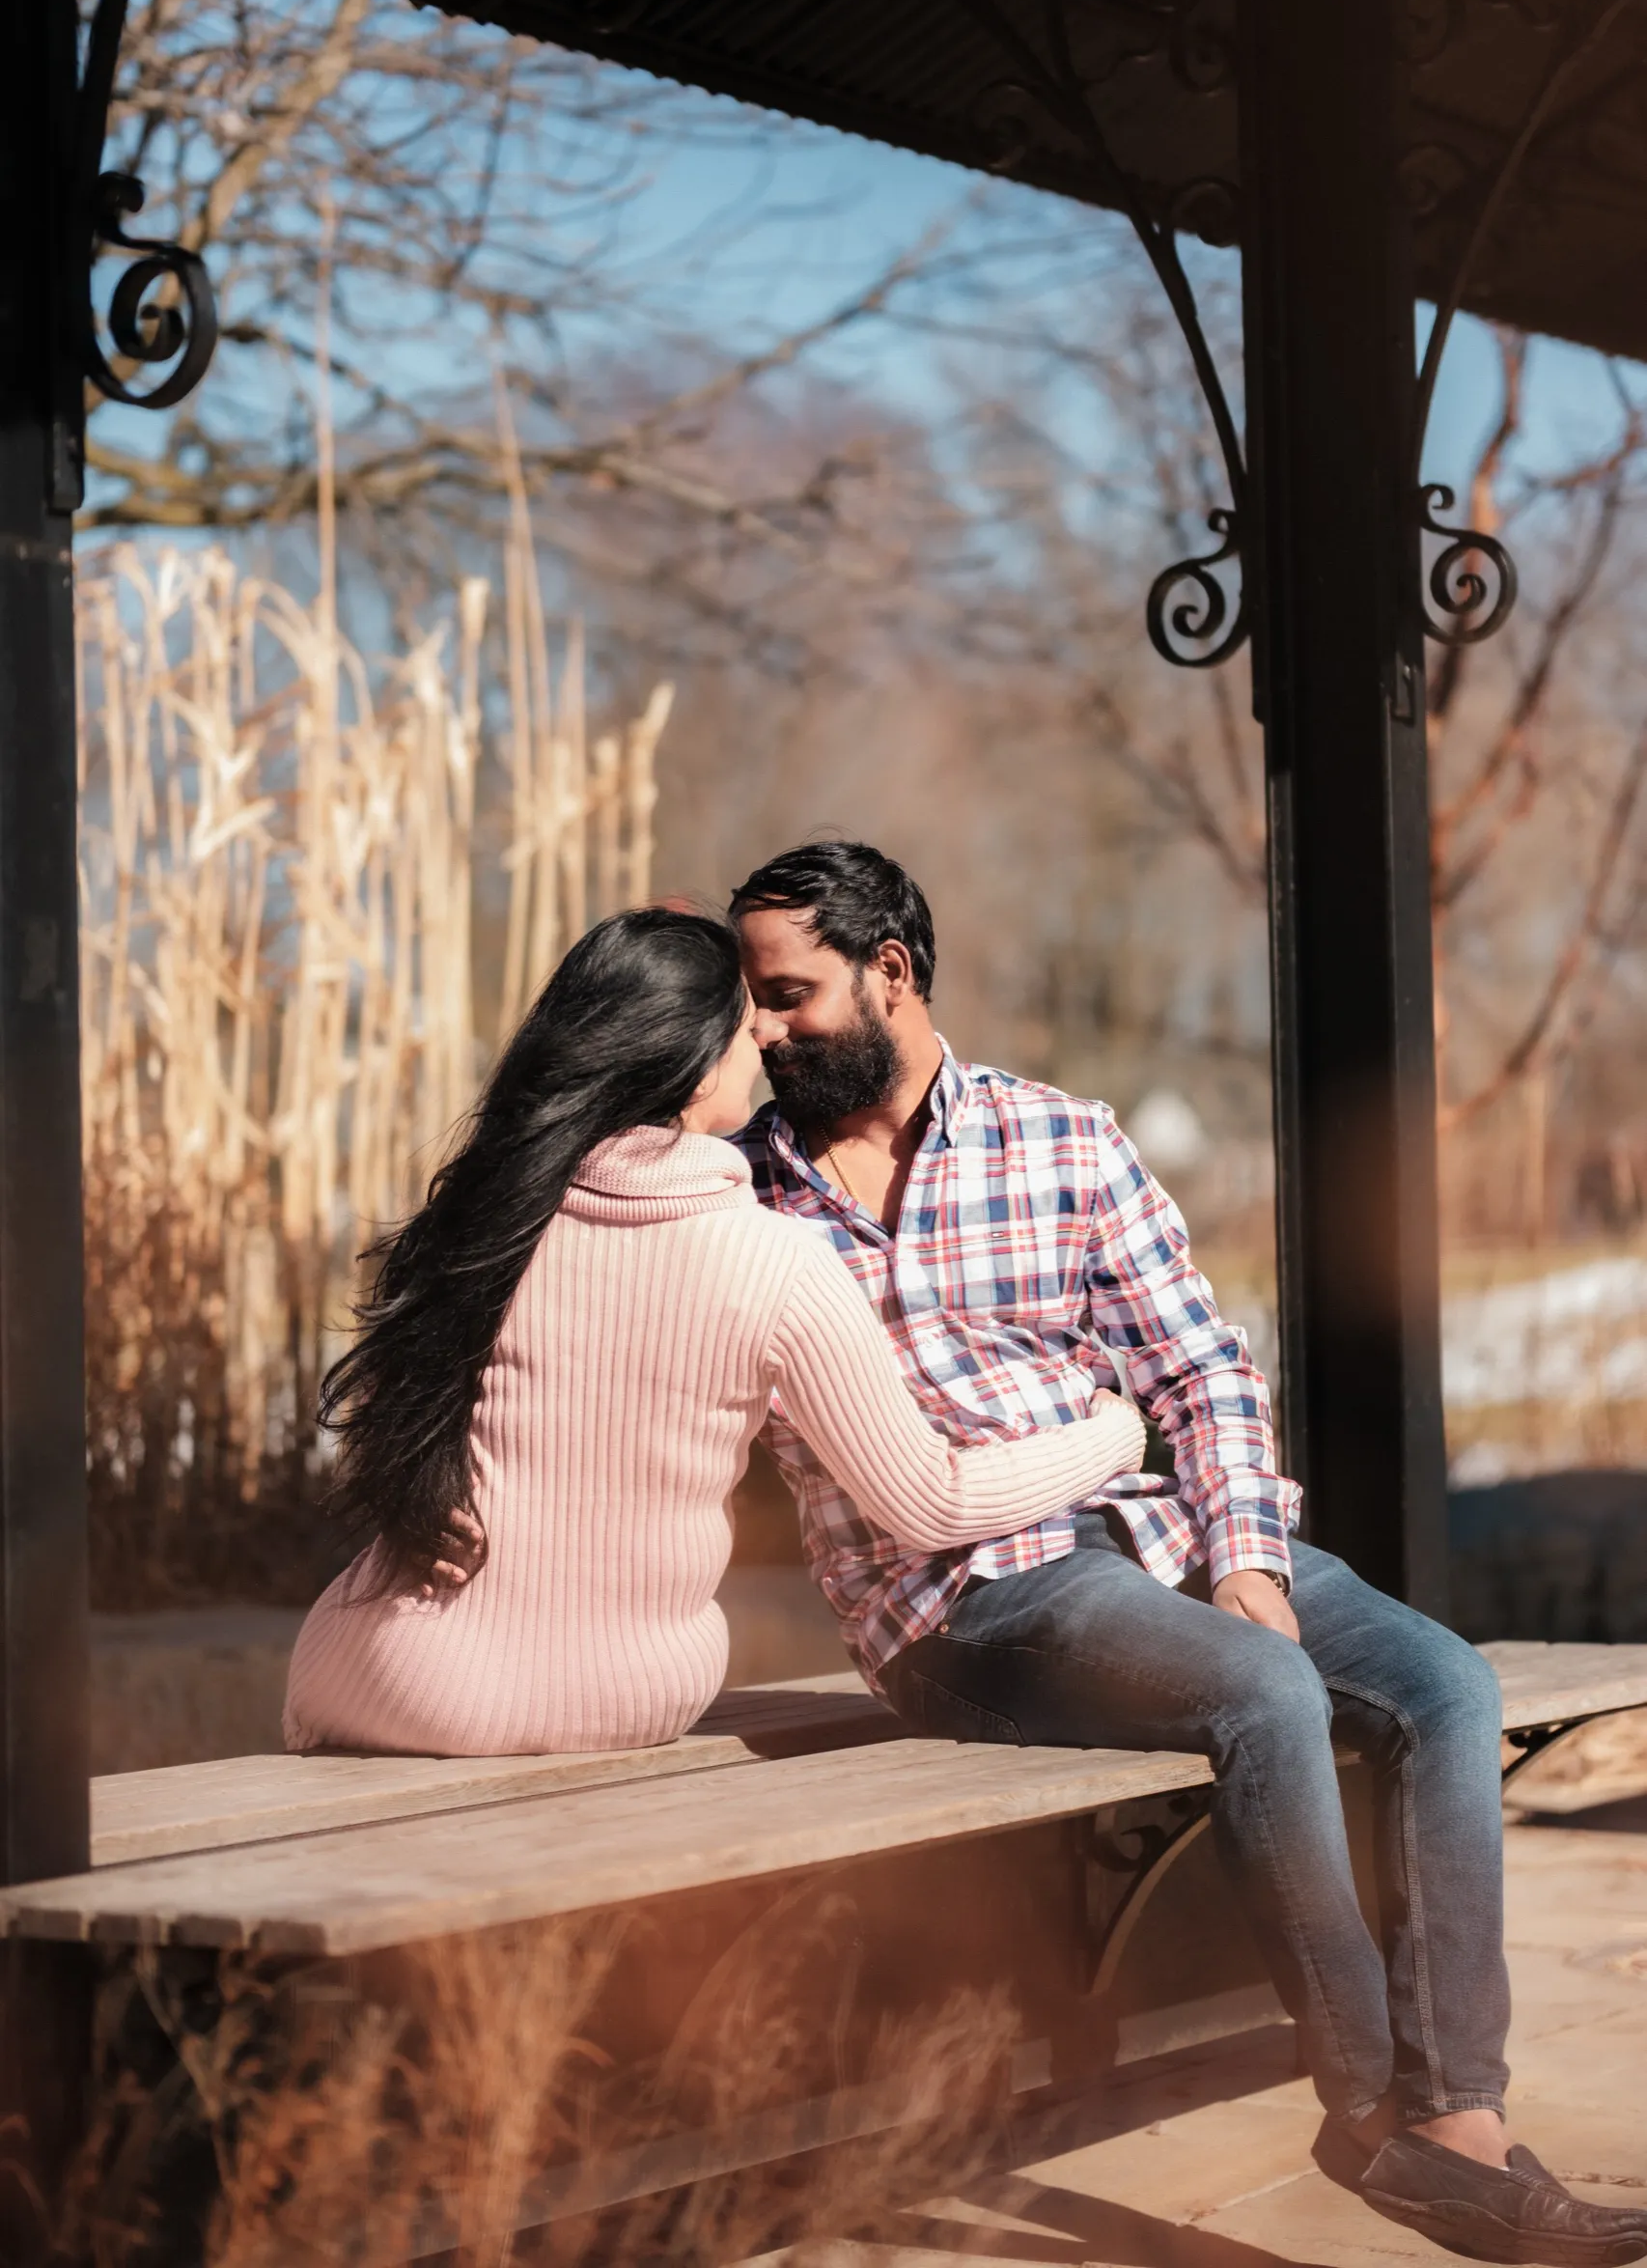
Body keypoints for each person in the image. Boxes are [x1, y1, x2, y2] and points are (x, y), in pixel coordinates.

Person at [726, 838, 1647, 2268]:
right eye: (750, 999)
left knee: (1446, 1688)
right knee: (1263, 1695)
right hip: (964, 1598)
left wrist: (1245, 1562)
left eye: (786, 994)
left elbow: (1204, 1373)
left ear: (889, 973)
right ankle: (1368, 2121)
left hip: (1150, 1538)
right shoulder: (746, 1195)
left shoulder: (1063, 1141)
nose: (762, 1027)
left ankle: (1461, 2112)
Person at [283, 907, 1144, 1759]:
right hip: (616, 1699)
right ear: (694, 1073)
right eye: (742, 1028)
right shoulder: (774, 1259)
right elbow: (933, 1501)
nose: (764, 1041)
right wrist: (1113, 1433)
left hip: (383, 1679)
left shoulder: (478, 1222)